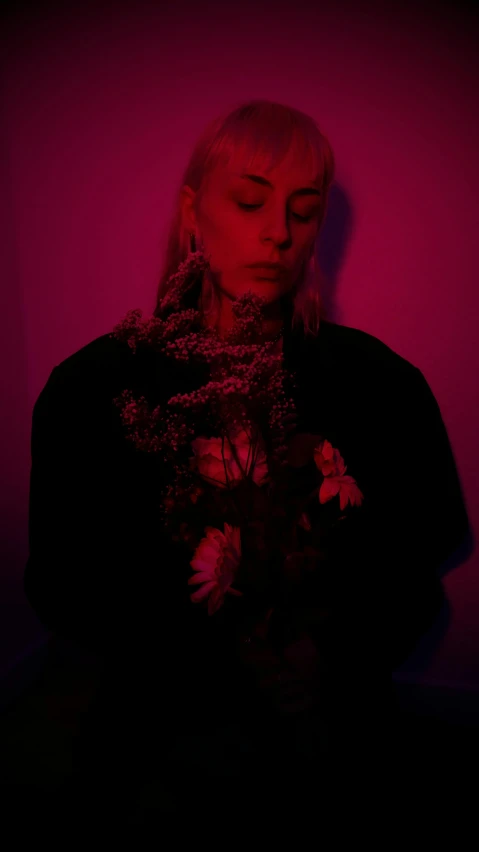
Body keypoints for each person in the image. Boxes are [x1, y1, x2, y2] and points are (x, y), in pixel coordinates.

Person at [24, 100, 470, 828]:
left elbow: (419, 546)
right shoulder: (95, 388)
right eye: (249, 200)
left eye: (304, 209)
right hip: (158, 728)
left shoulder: (379, 382)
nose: (277, 232)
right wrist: (215, 661)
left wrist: (329, 653)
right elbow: (62, 581)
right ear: (194, 214)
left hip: (331, 720)